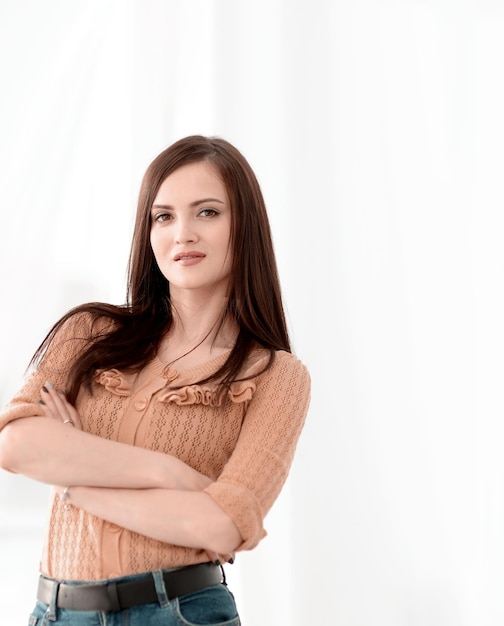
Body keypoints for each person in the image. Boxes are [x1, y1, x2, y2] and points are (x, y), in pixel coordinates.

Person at [0, 135, 311, 626]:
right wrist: (165, 472)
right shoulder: (89, 333)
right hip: (59, 614)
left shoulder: (275, 376)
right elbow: (15, 443)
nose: (182, 233)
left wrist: (76, 481)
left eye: (207, 212)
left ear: (244, 226)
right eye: (163, 216)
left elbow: (223, 526)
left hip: (181, 612)